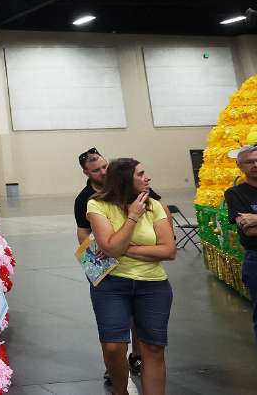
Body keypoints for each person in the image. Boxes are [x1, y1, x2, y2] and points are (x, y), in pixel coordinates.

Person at [86, 158, 175, 395]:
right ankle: (120, 390)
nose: (147, 178)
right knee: (114, 346)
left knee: (153, 348)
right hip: (111, 283)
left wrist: (124, 247)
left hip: (153, 285)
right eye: (141, 173)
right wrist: (133, 216)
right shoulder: (97, 206)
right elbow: (109, 249)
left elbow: (168, 250)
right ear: (126, 179)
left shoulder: (156, 206)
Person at [225, 144, 257, 355]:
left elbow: (254, 225)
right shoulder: (235, 193)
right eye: (251, 161)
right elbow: (248, 231)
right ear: (241, 166)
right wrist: (253, 224)